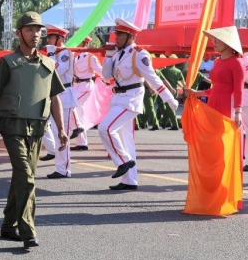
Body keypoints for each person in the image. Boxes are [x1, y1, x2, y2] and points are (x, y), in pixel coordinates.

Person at [0, 11, 67, 249]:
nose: (35, 34)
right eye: (30, 30)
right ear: (19, 33)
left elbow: (55, 99)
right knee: (26, 176)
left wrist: (62, 129)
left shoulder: (48, 64)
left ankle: (8, 224)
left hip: (37, 127)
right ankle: (27, 228)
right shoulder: (7, 63)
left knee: (22, 178)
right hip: (12, 125)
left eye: (38, 30)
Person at [99, 18, 178, 190]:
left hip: (131, 98)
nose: (116, 37)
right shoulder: (118, 54)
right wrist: (108, 55)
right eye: (116, 33)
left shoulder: (139, 54)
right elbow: (106, 76)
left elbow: (153, 78)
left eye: (119, 34)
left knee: (105, 128)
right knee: (126, 141)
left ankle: (123, 161)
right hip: (118, 98)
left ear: (130, 36)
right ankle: (130, 180)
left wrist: (170, 99)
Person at [186, 26, 244, 124]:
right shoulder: (217, 61)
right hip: (212, 101)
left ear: (227, 42)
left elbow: (239, 89)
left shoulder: (237, 62)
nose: (214, 42)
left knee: (223, 134)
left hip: (227, 103)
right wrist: (197, 93)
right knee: (211, 134)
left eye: (217, 39)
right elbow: (217, 88)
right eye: (213, 39)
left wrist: (238, 112)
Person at [44, 24, 78, 179]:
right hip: (53, 95)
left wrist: (51, 55)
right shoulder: (53, 53)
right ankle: (59, 165)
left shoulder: (66, 53)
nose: (49, 39)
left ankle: (64, 169)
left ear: (60, 38)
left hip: (64, 94)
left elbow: (57, 70)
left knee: (61, 133)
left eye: (52, 37)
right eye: (49, 37)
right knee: (51, 129)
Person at [70, 36, 103, 150]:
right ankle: (82, 143)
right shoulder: (75, 57)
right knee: (79, 114)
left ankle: (78, 127)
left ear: (85, 43)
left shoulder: (90, 57)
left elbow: (100, 71)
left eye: (79, 41)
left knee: (73, 106)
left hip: (86, 86)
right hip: (75, 86)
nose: (76, 43)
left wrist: (110, 80)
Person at [157, 55, 185, 130]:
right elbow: (183, 82)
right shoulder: (178, 71)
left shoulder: (163, 71)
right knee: (169, 107)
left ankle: (174, 124)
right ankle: (163, 123)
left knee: (168, 108)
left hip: (165, 90)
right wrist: (184, 88)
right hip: (174, 90)